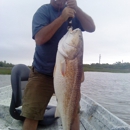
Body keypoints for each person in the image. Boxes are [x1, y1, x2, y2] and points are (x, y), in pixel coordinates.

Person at [21, 0, 95, 130]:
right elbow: (39, 39)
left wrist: (77, 9)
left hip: (69, 76)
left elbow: (91, 27)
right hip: (41, 73)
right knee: (32, 114)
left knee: (73, 113)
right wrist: (62, 18)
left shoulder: (74, 12)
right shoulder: (43, 11)